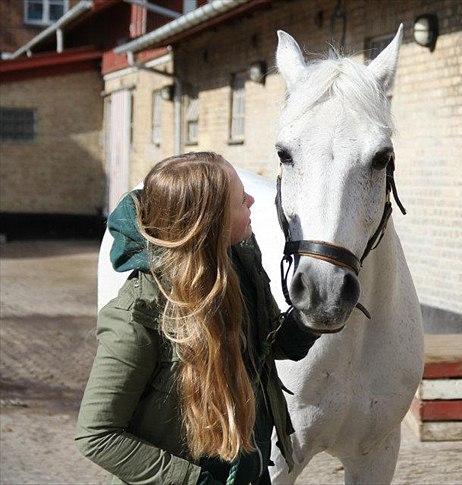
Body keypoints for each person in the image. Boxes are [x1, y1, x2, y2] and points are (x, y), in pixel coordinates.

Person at [75, 152, 320, 484]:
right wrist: (196, 482)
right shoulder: (135, 318)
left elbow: (263, 346)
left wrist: (311, 320)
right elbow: (96, 435)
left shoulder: (240, 262)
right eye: (239, 198)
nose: (251, 200)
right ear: (210, 220)